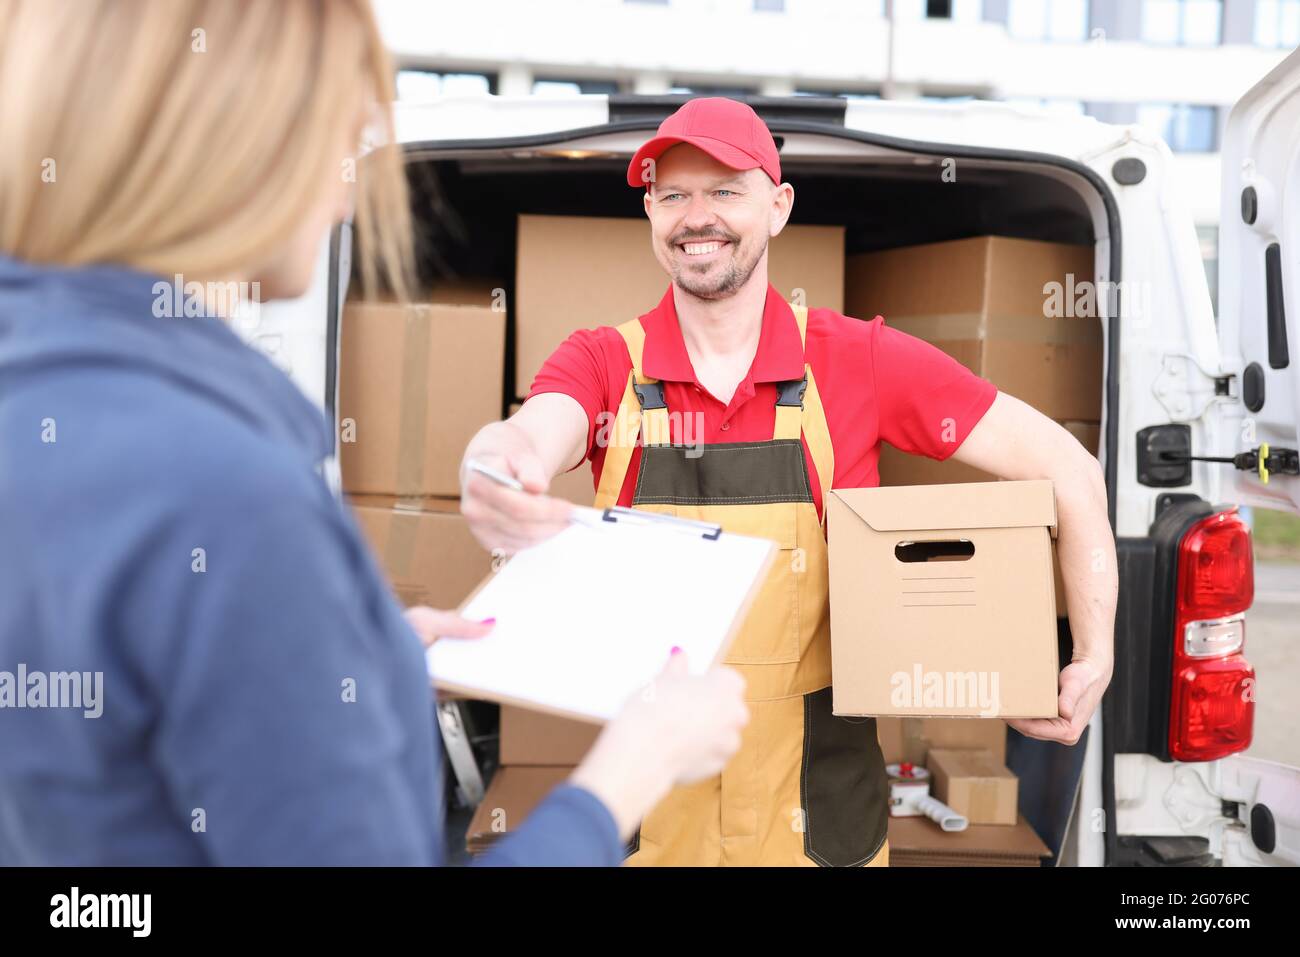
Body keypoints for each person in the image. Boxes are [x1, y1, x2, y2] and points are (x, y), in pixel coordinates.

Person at [0, 0, 748, 866]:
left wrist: (352, 655)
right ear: (230, 142)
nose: (350, 187)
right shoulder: (232, 498)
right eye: (342, 137)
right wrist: (629, 770)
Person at [460, 97, 1119, 866]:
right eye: (673, 194)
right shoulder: (605, 363)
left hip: (817, 820)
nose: (696, 215)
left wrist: (1094, 650)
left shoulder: (857, 360)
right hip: (656, 820)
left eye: (724, 190)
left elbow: (1068, 467)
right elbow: (533, 431)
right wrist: (497, 464)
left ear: (778, 206)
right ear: (649, 212)